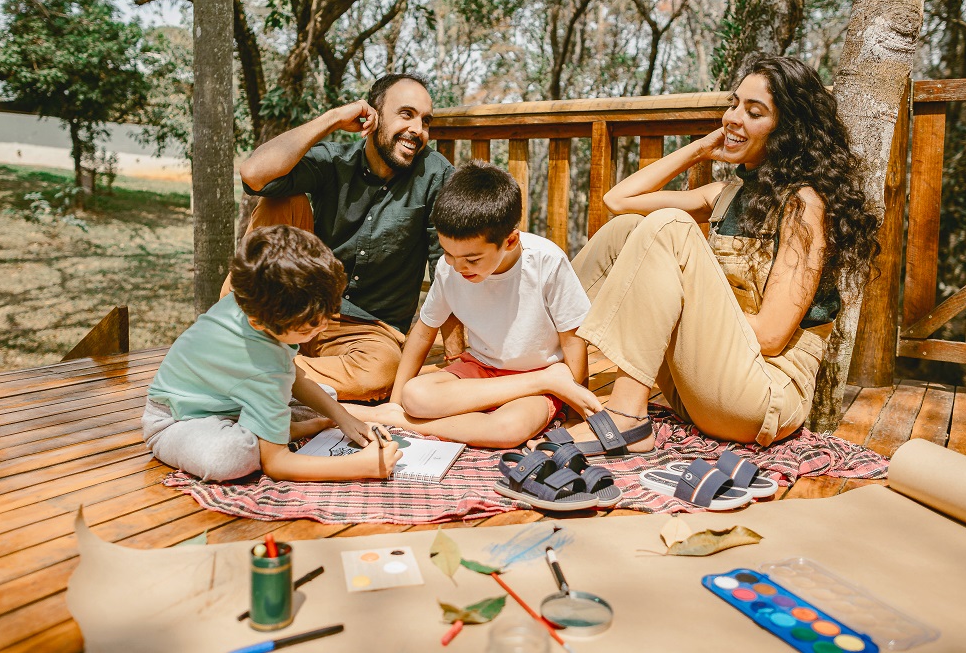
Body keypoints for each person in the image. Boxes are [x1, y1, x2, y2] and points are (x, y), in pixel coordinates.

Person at [562, 54, 879, 450]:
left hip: (761, 396)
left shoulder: (804, 206)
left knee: (671, 226)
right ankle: (556, 375)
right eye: (733, 104)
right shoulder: (726, 195)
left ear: (788, 129)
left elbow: (770, 337)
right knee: (626, 230)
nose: (733, 117)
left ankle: (627, 416)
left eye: (754, 111)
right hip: (700, 389)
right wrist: (699, 150)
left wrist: (685, 312)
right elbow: (619, 199)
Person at [236, 74, 459, 401]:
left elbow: (448, 267)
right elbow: (255, 174)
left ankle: (258, 372)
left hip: (367, 334)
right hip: (295, 308)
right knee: (281, 199)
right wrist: (332, 119)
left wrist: (457, 359)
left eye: (426, 121)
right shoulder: (334, 160)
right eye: (407, 114)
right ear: (373, 115)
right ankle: (235, 338)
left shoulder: (435, 175)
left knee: (382, 371)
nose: (418, 129)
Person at [143, 225, 401, 482]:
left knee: (324, 394)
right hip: (179, 419)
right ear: (259, 321)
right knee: (231, 458)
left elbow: (293, 376)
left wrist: (342, 417)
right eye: (309, 325)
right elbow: (277, 464)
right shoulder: (262, 365)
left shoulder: (253, 299)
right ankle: (282, 430)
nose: (322, 327)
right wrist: (363, 466)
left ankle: (281, 427)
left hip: (237, 402)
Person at [373, 161, 602, 448]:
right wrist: (395, 404)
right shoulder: (450, 268)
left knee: (507, 430)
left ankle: (407, 423)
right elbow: (423, 332)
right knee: (414, 396)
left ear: (509, 241)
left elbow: (573, 339)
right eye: (448, 253)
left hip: (539, 371)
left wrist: (575, 409)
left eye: (471, 259)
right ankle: (401, 416)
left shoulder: (546, 261)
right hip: (485, 370)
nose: (458, 267)